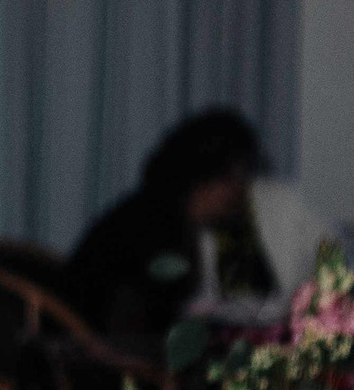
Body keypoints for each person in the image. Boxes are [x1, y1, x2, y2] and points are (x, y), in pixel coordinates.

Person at [65, 108, 342, 343]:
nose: (240, 193)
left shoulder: (163, 214)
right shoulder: (156, 229)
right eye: (233, 180)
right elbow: (132, 322)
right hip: (98, 359)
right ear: (205, 180)